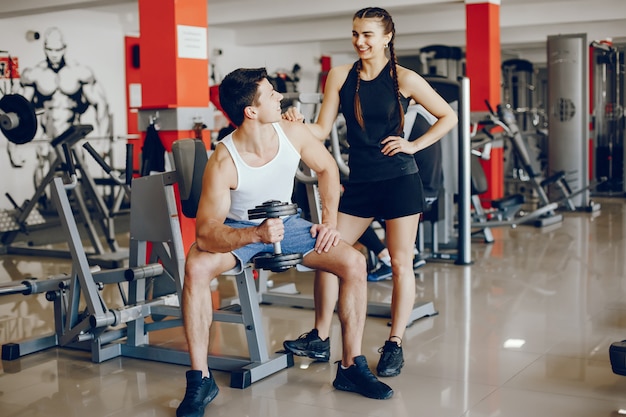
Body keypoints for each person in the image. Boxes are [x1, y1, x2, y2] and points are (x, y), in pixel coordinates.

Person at [176, 68, 394, 417]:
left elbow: (327, 169)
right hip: (241, 228)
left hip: (288, 224)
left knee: (354, 262)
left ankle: (351, 367)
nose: (281, 97)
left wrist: (330, 223)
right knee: (197, 265)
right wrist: (254, 234)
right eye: (272, 94)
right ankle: (201, 377)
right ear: (251, 111)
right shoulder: (223, 161)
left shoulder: (293, 132)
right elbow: (205, 232)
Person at [281, 7, 457, 378]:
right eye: (355, 34)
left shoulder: (405, 79)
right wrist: (297, 121)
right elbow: (321, 127)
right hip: (360, 183)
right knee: (327, 252)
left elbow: (449, 117)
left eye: (368, 35)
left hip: (399, 182)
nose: (360, 41)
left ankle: (394, 342)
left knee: (399, 263)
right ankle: (320, 335)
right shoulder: (341, 76)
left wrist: (414, 145)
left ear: (387, 38)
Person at [17, 27, 110, 139]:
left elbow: (101, 104)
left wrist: (103, 139)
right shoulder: (34, 75)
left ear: (64, 49)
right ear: (44, 49)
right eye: (50, 50)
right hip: (46, 138)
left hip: (73, 136)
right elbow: (19, 110)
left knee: (75, 154)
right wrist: (14, 146)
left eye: (58, 50)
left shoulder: (80, 72)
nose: (54, 55)